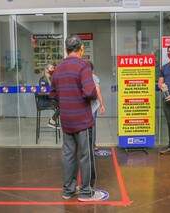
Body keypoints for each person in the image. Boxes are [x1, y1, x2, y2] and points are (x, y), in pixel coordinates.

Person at [50, 35, 108, 201]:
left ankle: (68, 191)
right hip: (82, 120)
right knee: (85, 155)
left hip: (66, 120)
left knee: (68, 155)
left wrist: (66, 104)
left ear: (66, 49)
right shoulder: (83, 66)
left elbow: (52, 95)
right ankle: (86, 192)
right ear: (81, 48)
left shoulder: (59, 68)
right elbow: (90, 92)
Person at [87, 62, 105, 152]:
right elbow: (98, 92)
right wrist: (102, 105)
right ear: (92, 69)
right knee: (92, 126)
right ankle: (92, 145)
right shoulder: (94, 77)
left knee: (83, 127)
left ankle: (85, 146)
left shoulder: (80, 77)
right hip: (93, 106)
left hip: (84, 106)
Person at [38, 63, 60, 129]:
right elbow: (42, 92)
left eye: (53, 68)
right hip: (44, 101)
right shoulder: (43, 80)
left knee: (64, 103)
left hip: (51, 100)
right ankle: (52, 121)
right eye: (51, 68)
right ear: (46, 70)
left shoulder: (52, 79)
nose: (53, 69)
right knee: (62, 105)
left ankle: (52, 121)